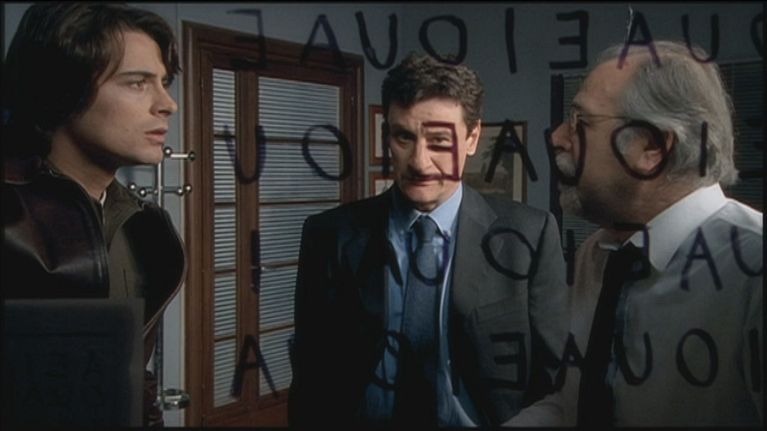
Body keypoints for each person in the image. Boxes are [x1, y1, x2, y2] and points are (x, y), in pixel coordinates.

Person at [288, 52, 569, 427]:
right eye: (404, 137)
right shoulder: (329, 236)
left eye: (439, 141)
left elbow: (553, 380)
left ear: (472, 138)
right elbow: (311, 377)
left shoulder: (529, 236)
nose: (419, 162)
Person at [511, 40, 763, 426]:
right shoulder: (599, 255)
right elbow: (573, 406)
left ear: (652, 147)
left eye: (581, 122)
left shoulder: (754, 271)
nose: (558, 137)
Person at [2, 3, 186, 427]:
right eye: (137, 83)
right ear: (61, 89)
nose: (168, 104)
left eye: (164, 83)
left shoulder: (147, 228)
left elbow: (129, 373)